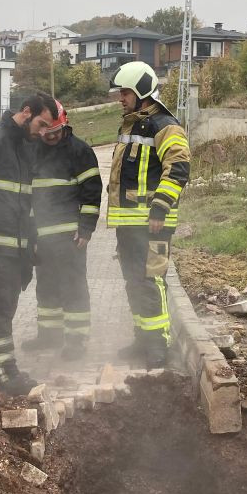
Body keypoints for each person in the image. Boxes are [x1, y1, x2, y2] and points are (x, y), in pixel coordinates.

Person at [0, 93, 59, 393]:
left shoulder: (24, 148)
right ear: (26, 112)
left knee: (0, 309)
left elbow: (25, 203)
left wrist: (32, 243)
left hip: (14, 248)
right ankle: (7, 373)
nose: (43, 132)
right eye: (41, 124)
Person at [107, 62, 191, 369]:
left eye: (126, 92)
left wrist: (160, 207)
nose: (121, 98)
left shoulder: (165, 125)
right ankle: (142, 338)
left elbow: (179, 168)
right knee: (133, 281)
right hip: (129, 223)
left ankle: (159, 345)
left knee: (151, 280)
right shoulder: (130, 125)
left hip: (153, 221)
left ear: (141, 91)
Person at [22, 100, 102, 360]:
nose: (52, 136)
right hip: (43, 235)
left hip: (70, 236)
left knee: (73, 286)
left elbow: (92, 192)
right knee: (46, 286)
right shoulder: (34, 151)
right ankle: (49, 336)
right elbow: (30, 198)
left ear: (65, 125)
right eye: (48, 132)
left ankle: (76, 341)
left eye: (56, 131)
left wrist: (86, 228)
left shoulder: (80, 151)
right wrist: (31, 234)